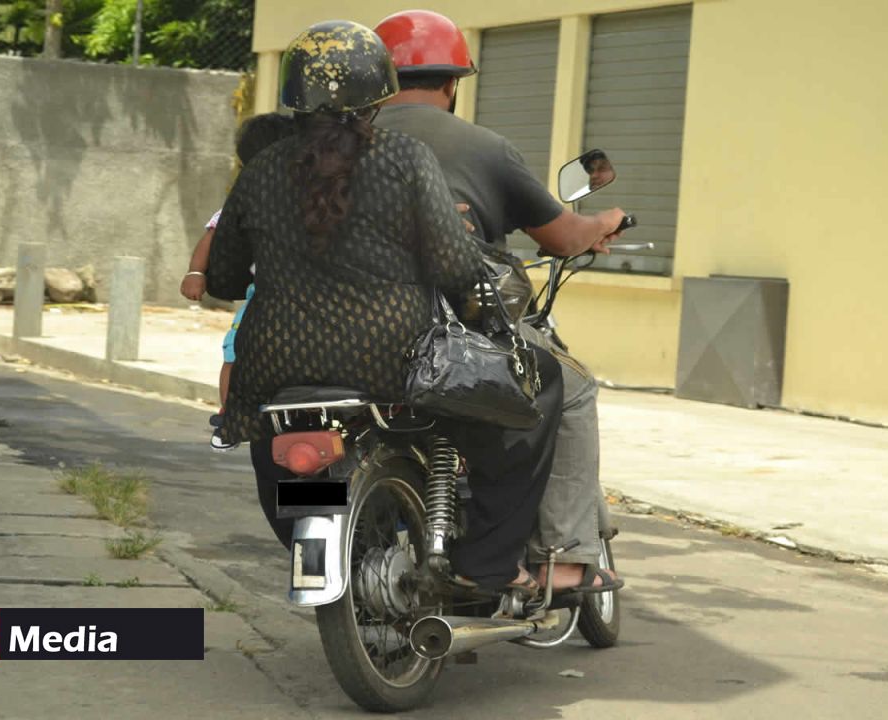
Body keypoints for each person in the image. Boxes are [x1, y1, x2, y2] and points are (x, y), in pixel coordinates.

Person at [205, 20, 564, 593]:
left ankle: (323, 540)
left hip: (273, 369)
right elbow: (453, 265)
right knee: (538, 382)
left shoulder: (264, 169)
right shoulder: (405, 158)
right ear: (378, 91)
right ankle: (489, 564)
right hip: (392, 358)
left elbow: (222, 276)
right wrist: (484, 296)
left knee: (274, 443)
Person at [374, 9, 624, 594]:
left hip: (348, 328)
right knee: (572, 388)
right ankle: (560, 557)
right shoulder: (483, 146)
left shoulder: (339, 147)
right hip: (451, 330)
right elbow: (561, 236)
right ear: (453, 82)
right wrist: (603, 220)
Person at [175, 114, 296, 443]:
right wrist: (195, 271)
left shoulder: (252, 198)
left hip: (272, 300)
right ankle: (230, 411)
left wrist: (199, 272)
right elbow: (215, 230)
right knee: (234, 351)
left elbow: (218, 237)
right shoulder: (331, 194)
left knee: (235, 352)